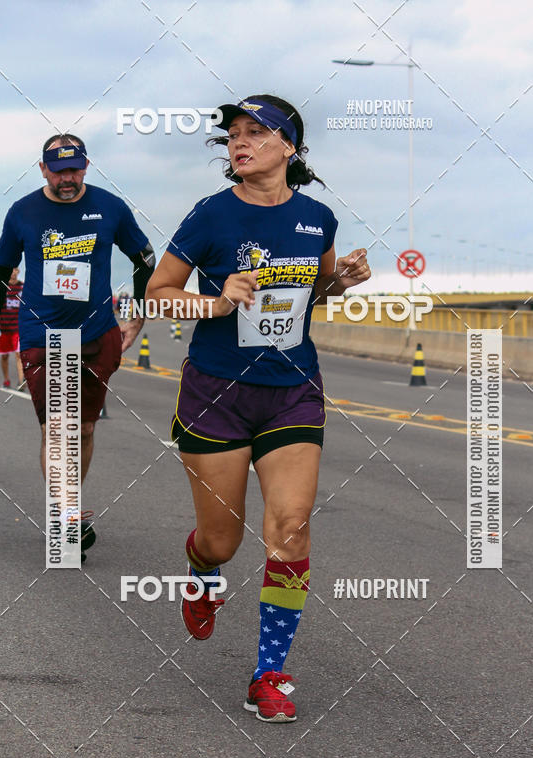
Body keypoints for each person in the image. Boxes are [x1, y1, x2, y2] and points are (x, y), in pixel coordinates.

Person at [146, 95, 371, 722]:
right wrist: (215, 303)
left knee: (291, 527)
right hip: (216, 392)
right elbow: (158, 293)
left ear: (289, 148)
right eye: (233, 135)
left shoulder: (316, 217)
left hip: (293, 388)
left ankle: (268, 673)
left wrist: (341, 282)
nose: (239, 142)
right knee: (222, 541)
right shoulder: (211, 216)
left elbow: (315, 292)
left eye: (256, 132)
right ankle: (202, 573)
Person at [0, 133, 155, 561]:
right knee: (58, 429)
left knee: (86, 428)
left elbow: (145, 258)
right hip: (45, 337)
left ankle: (68, 507)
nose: (67, 179)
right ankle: (66, 515)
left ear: (86, 166)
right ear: (43, 170)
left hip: (97, 334)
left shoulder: (110, 207)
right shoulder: (23, 212)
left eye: (74, 169)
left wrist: (138, 313)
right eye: (58, 171)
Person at [0, 267, 24, 388]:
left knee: (19, 354)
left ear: (18, 271)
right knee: (5, 356)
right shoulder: (3, 287)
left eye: (15, 270)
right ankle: (6, 379)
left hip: (18, 327)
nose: (13, 272)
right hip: (4, 327)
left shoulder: (23, 287)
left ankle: (21, 381)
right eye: (11, 270)